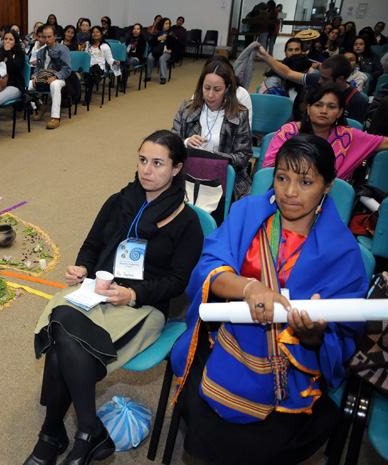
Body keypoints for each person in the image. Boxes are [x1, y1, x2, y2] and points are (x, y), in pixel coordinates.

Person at [170, 134, 368, 465]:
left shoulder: (344, 253)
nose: (290, 192)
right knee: (203, 419)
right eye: (282, 178)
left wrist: (314, 336)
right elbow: (209, 265)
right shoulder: (248, 212)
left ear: (328, 186)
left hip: (294, 365)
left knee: (265, 446)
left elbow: (346, 334)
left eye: (305, 181)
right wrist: (247, 287)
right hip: (227, 341)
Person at [25, 130, 203, 465]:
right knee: (61, 321)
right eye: (142, 160)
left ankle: (53, 435)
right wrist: (82, 269)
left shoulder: (187, 221)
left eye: (157, 163)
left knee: (64, 336)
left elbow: (177, 282)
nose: (146, 170)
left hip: (142, 306)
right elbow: (92, 246)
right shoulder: (119, 201)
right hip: (97, 292)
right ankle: (88, 430)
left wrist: (135, 293)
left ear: (177, 168)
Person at [262, 86, 388, 180]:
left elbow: (385, 143)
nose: (324, 111)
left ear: (339, 112)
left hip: (330, 197)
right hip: (287, 193)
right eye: (318, 105)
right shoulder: (289, 132)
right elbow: (269, 171)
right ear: (309, 108)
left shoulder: (348, 136)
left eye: (331, 107)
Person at [172, 61, 253, 200]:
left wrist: (214, 157)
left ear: (227, 88)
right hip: (189, 174)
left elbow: (244, 155)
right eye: (206, 88)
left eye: (217, 90)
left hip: (223, 180)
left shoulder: (239, 114)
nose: (210, 95)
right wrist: (186, 142)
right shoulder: (187, 108)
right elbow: (171, 142)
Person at [256, 48, 368, 123]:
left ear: (340, 79)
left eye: (324, 78)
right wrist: (266, 56)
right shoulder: (317, 80)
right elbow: (288, 73)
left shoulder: (356, 101)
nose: (319, 81)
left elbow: (354, 134)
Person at [29, 24, 72, 130]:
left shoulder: (63, 49)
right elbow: (37, 68)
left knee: (55, 85)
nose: (46, 39)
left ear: (55, 36)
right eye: (44, 37)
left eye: (49, 37)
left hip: (60, 77)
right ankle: (41, 106)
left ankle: (55, 117)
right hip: (43, 77)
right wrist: (35, 76)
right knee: (28, 85)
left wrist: (56, 77)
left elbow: (67, 69)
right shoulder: (40, 52)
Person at [84, 26, 118, 105]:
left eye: (97, 32)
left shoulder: (105, 46)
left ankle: (87, 98)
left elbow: (109, 59)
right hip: (88, 66)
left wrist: (115, 62)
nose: (95, 34)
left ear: (101, 34)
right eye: (93, 32)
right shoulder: (88, 44)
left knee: (90, 74)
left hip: (98, 67)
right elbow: (85, 56)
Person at [146, 17, 178, 85]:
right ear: (162, 24)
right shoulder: (157, 33)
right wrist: (159, 38)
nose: (168, 25)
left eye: (169, 23)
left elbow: (175, 45)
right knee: (149, 57)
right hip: (156, 51)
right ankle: (148, 76)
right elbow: (150, 42)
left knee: (162, 58)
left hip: (166, 52)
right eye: (166, 23)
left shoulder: (171, 34)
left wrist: (171, 50)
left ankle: (163, 77)